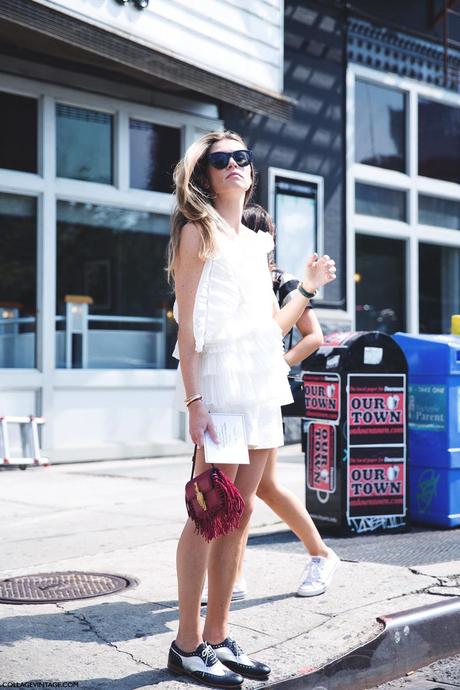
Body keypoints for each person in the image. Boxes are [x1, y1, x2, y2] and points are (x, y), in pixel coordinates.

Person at [167, 130, 336, 688]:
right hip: (217, 383)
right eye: (222, 159)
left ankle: (217, 637)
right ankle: (186, 646)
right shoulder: (198, 233)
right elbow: (187, 330)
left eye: (242, 157)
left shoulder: (256, 243)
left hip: (261, 382)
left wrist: (306, 288)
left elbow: (272, 331)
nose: (236, 165)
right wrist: (194, 402)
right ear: (206, 175)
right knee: (207, 515)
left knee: (236, 520)